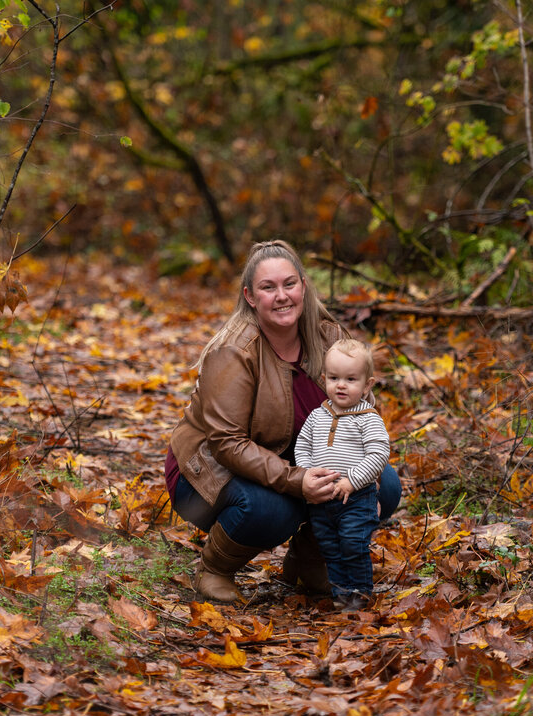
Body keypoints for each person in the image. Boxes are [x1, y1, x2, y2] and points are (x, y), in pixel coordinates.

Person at [164, 240, 402, 602]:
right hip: (207, 473)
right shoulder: (234, 351)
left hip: (295, 460)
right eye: (268, 287)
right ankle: (215, 569)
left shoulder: (328, 337)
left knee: (382, 484)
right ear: (249, 295)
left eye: (289, 284)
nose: (281, 296)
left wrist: (362, 493)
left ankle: (310, 562)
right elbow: (226, 444)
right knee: (276, 508)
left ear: (304, 286)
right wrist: (296, 480)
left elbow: (362, 412)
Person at [295, 339, 390, 610]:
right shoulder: (317, 416)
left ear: (367, 384)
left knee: (352, 542)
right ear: (324, 379)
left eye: (351, 379)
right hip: (323, 499)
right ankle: (340, 593)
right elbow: (302, 446)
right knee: (330, 546)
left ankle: (360, 592)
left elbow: (379, 454)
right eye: (334, 378)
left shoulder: (368, 418)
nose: (341, 385)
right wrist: (307, 472)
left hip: (356, 497)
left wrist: (353, 480)